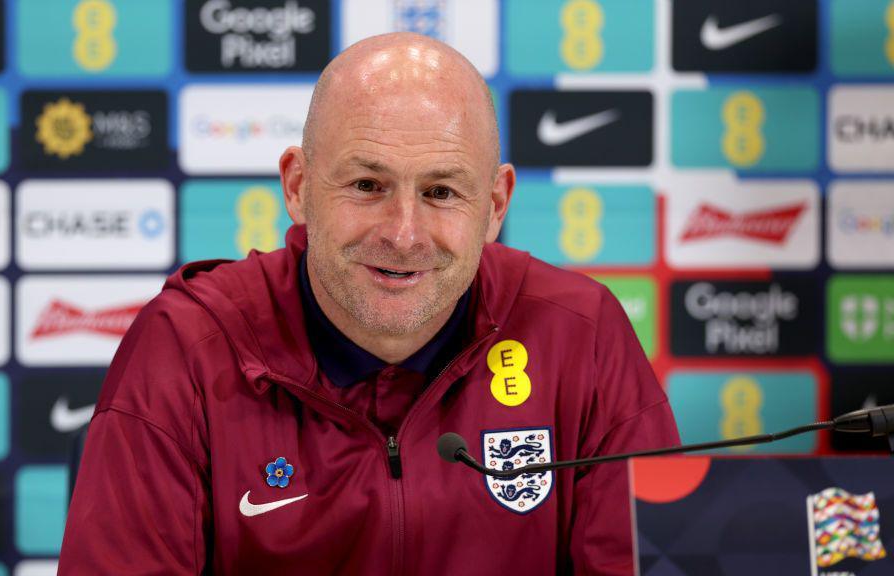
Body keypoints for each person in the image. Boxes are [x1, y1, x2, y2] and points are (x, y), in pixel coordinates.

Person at [58, 32, 679, 575]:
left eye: (440, 191)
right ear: (299, 188)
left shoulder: (581, 334)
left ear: (494, 207)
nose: (403, 234)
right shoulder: (188, 347)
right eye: (366, 185)